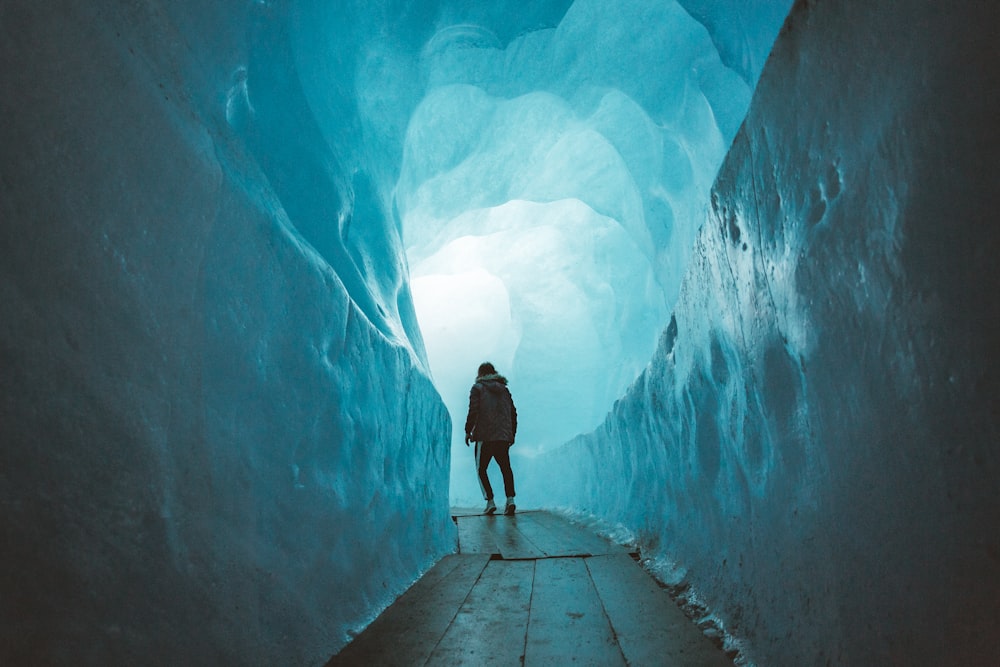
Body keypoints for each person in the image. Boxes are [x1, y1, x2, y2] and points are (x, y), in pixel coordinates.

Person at [464, 362, 518, 515]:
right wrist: (511, 434)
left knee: (481, 469)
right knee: (506, 469)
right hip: (503, 437)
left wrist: (468, 431)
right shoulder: (505, 391)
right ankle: (510, 500)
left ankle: (490, 501)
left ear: (480, 373)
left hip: (485, 437)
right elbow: (513, 414)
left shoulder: (478, 388)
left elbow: (473, 410)